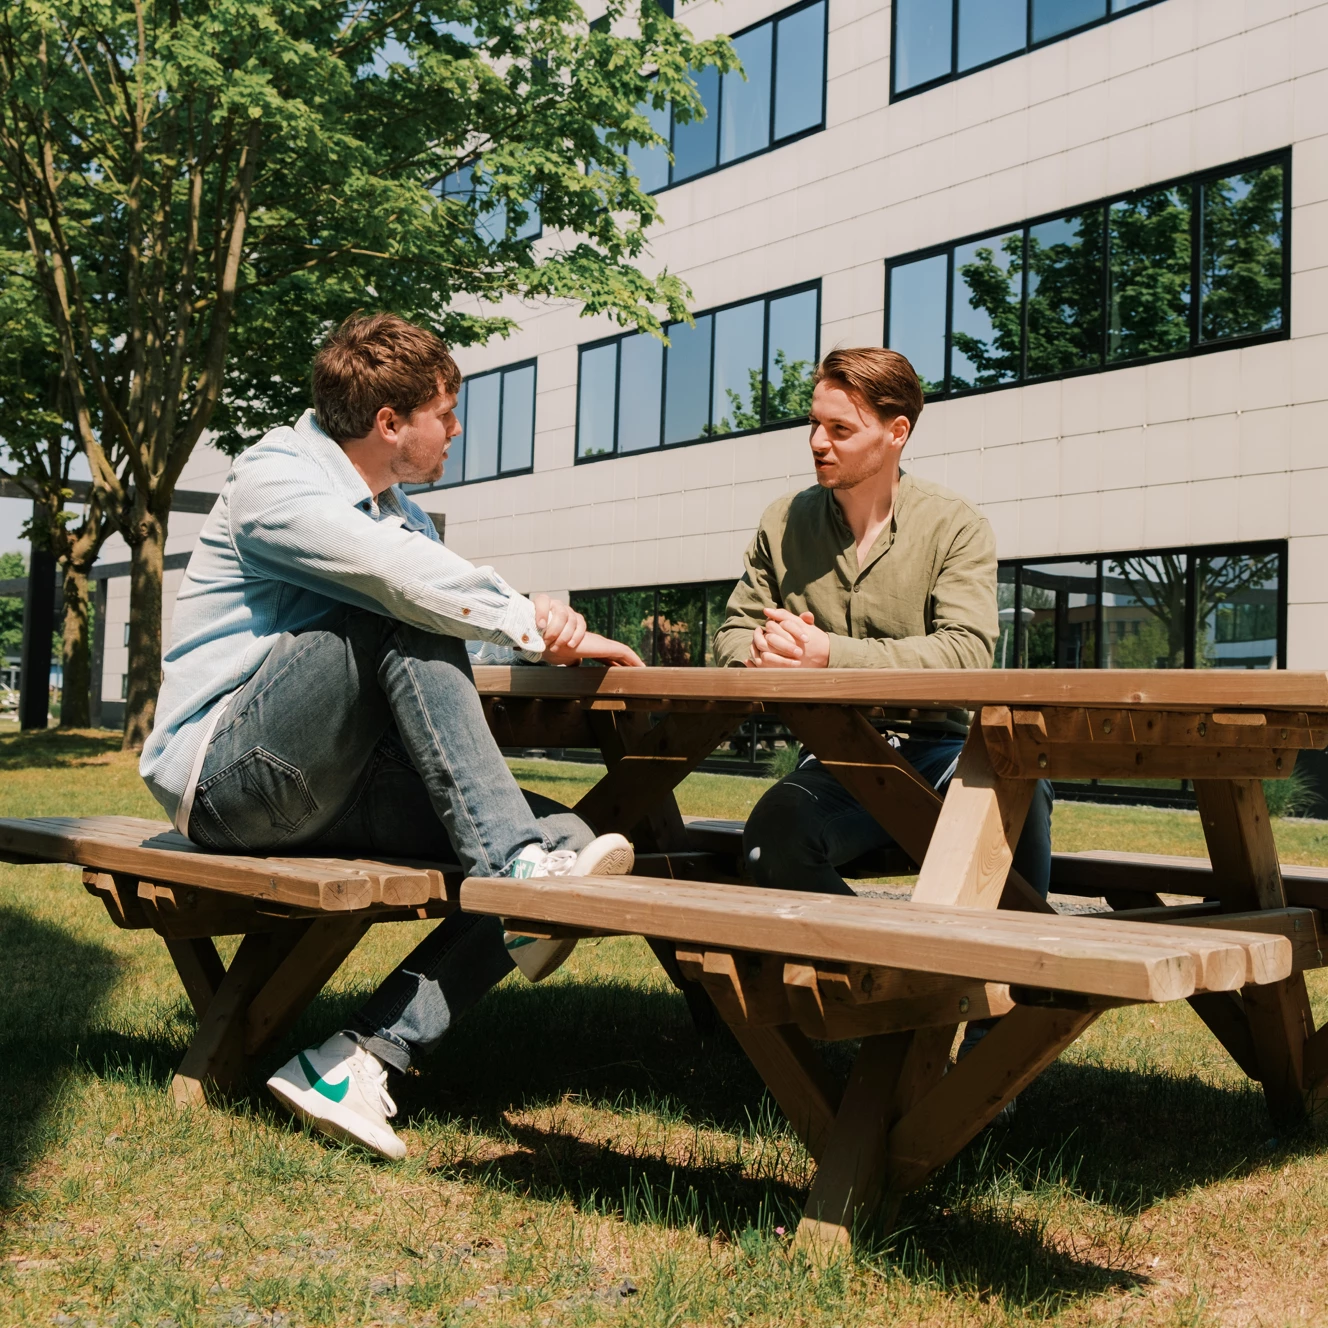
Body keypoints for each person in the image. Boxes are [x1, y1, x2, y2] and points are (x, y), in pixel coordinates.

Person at [141, 313, 643, 1160]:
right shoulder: (273, 481)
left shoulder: (394, 511)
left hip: (331, 780)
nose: (456, 430)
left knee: (572, 841)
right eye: (446, 414)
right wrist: (516, 615)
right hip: (228, 782)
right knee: (393, 613)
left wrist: (542, 621)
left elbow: (437, 597)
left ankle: (362, 1056)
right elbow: (400, 583)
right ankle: (513, 873)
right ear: (388, 424)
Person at [713, 344, 1053, 938]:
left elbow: (968, 652)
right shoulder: (781, 521)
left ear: (897, 432)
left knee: (1021, 791)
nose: (818, 442)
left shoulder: (955, 525)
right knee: (772, 836)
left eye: (840, 428)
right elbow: (732, 632)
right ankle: (888, 974)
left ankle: (1011, 1004)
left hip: (943, 754)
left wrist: (828, 658)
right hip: (836, 752)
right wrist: (760, 653)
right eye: (813, 424)